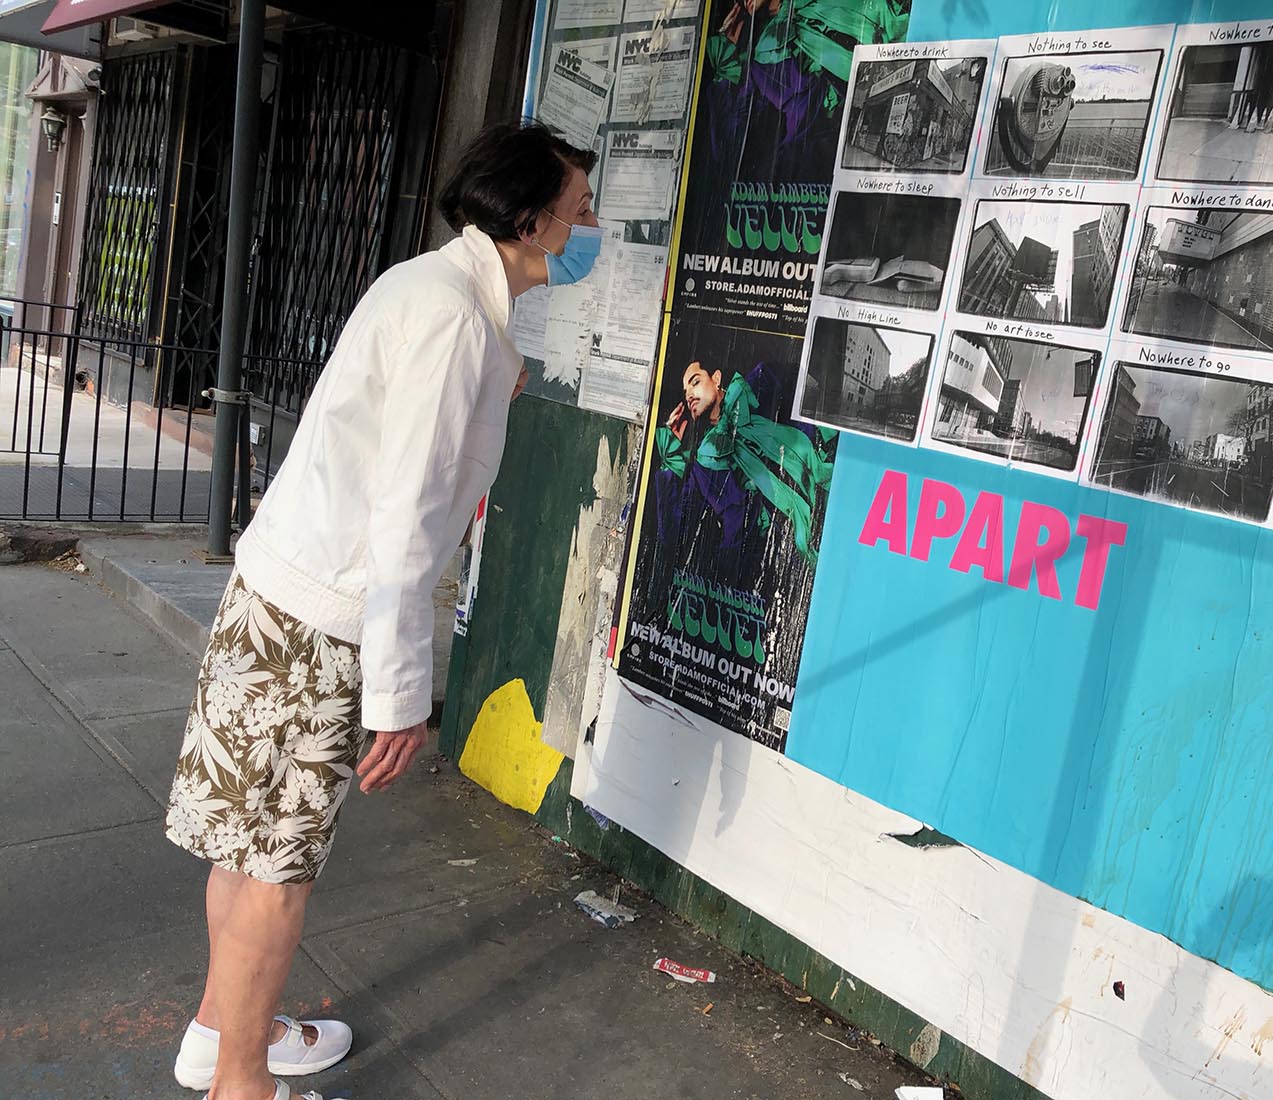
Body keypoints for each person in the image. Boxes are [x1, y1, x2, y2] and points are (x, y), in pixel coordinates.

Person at [162, 122, 601, 1100]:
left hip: (278, 586)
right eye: (578, 209)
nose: (590, 225)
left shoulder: (432, 293)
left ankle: (219, 1031)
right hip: (323, 619)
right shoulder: (455, 321)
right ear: (529, 222)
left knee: (248, 837)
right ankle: (243, 1081)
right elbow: (406, 522)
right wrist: (401, 692)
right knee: (280, 864)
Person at [652, 359, 834, 589]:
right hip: (785, 553)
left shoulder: (758, 385)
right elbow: (673, 532)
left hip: (829, 486)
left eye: (695, 382)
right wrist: (672, 453)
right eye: (686, 391)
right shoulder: (706, 461)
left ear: (716, 379)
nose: (689, 394)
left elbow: (811, 401)